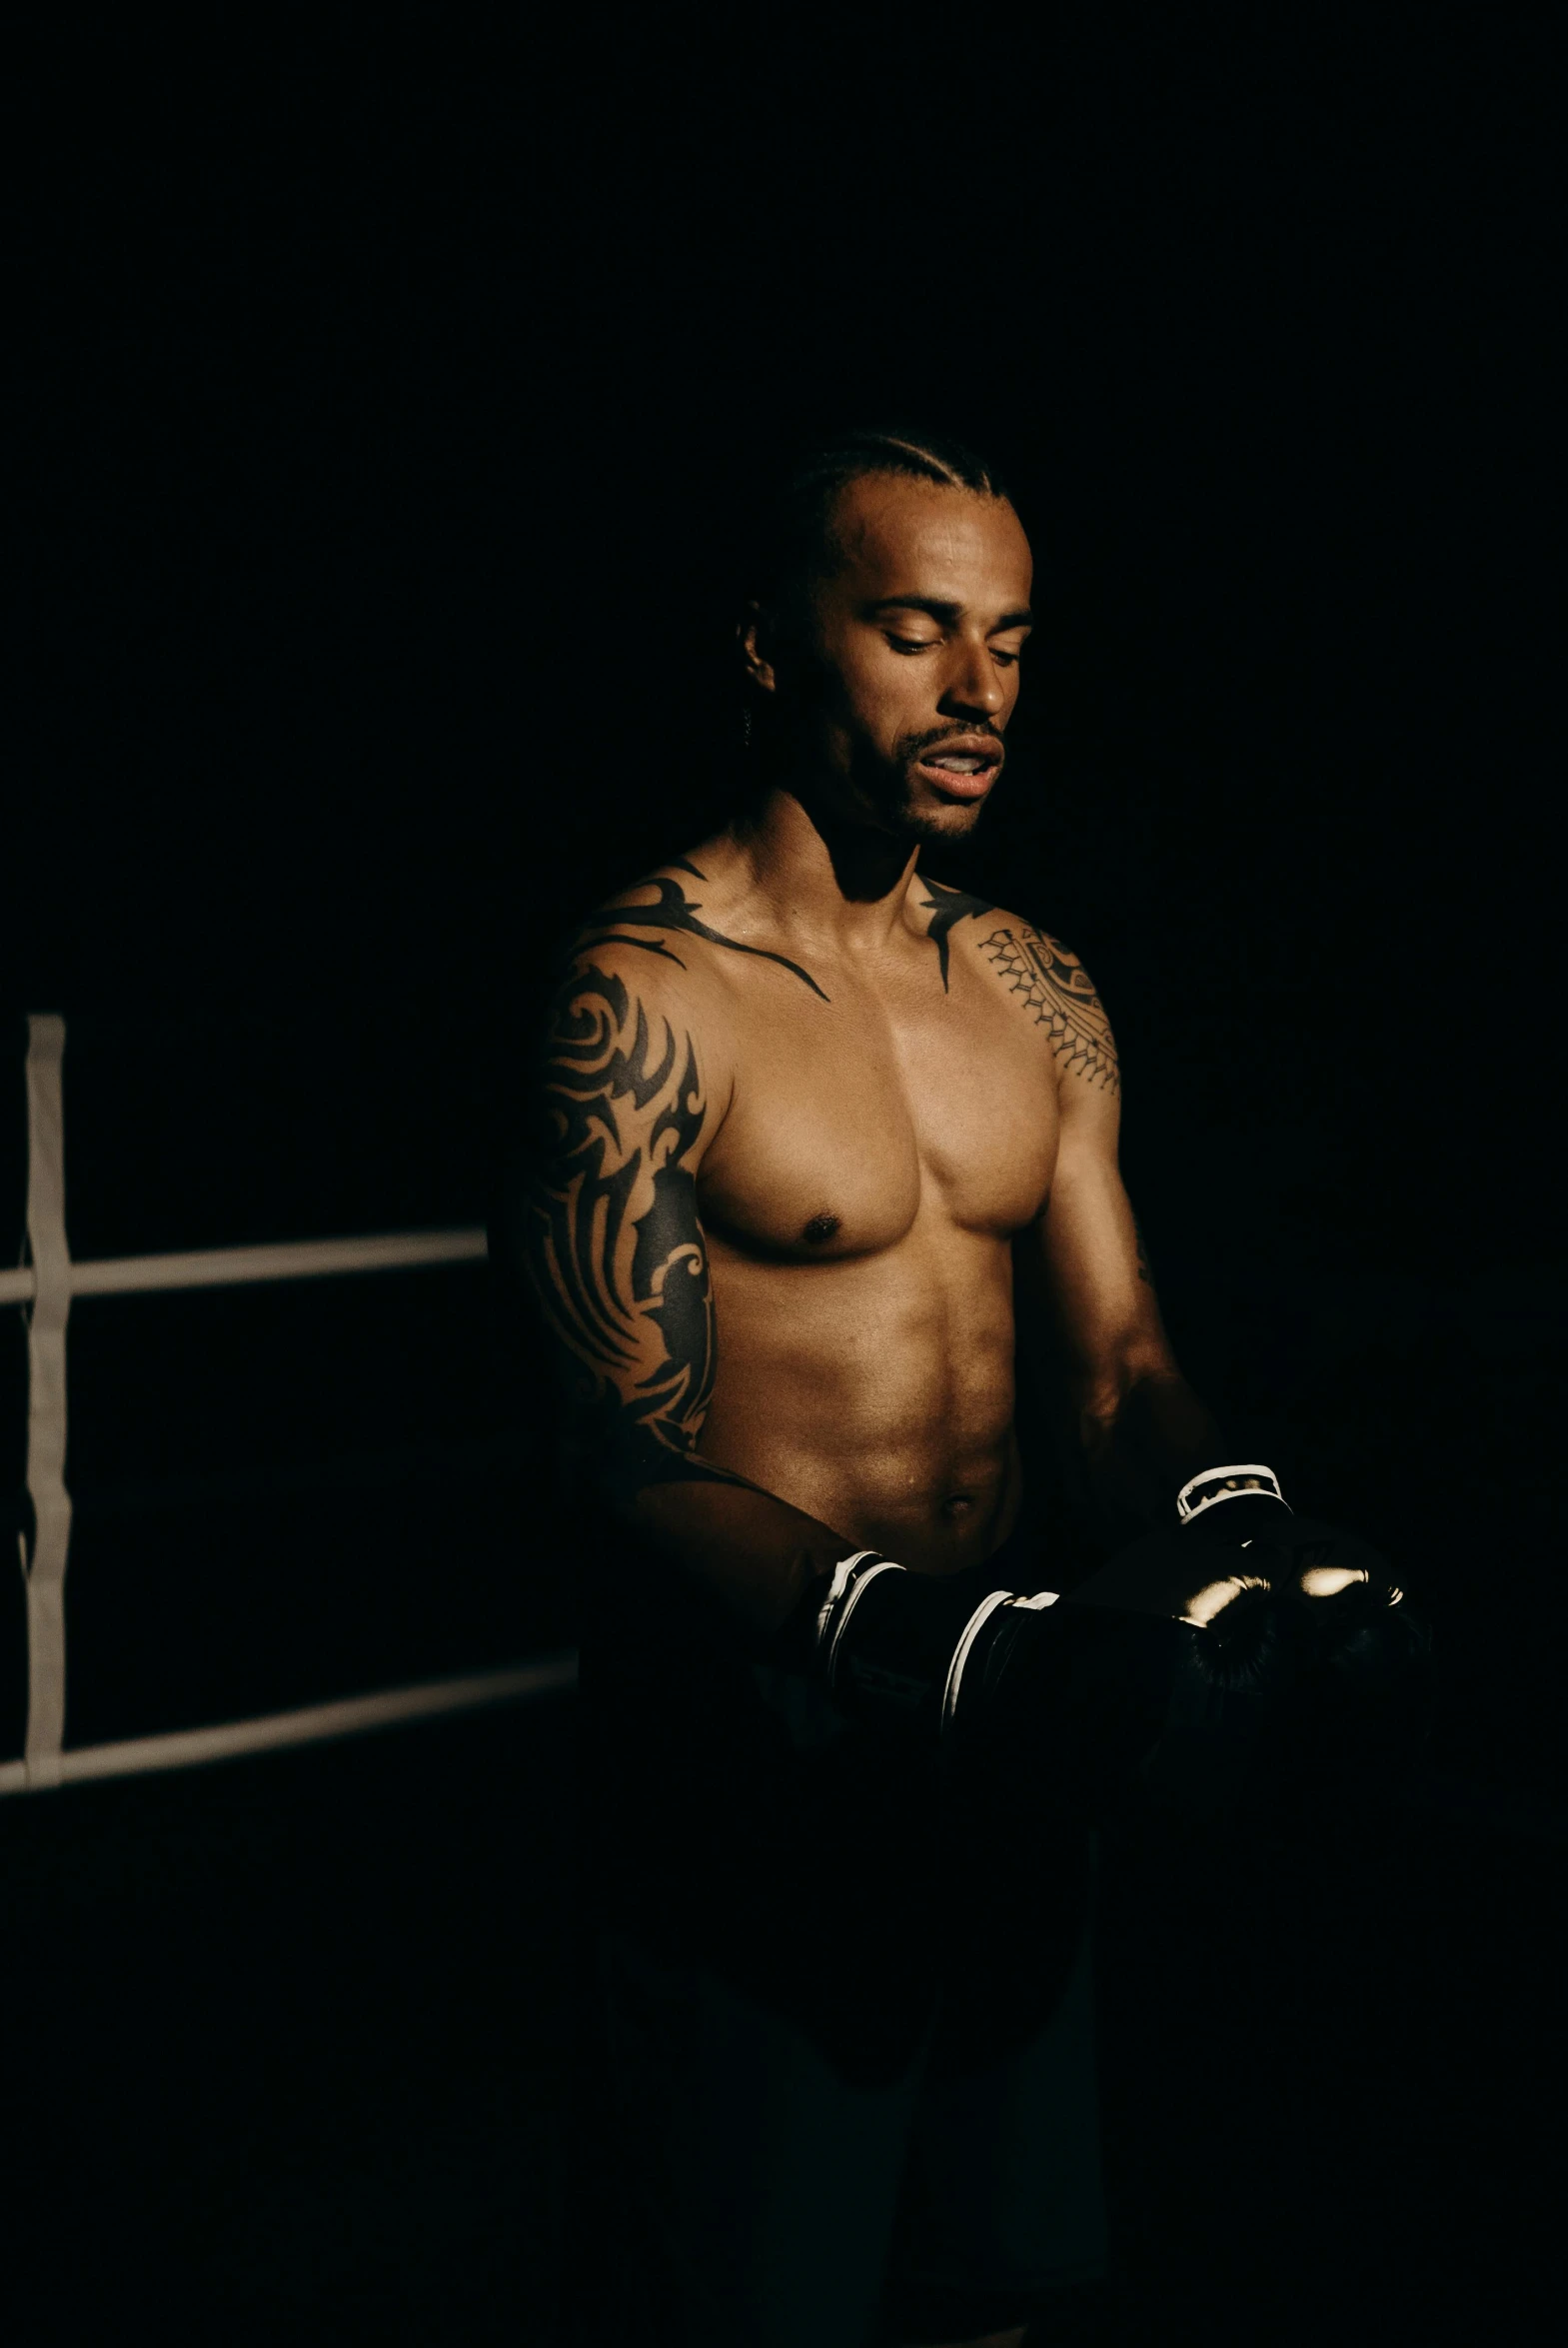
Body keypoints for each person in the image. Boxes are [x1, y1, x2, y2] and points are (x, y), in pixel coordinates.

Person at [499, 426, 1419, 2348]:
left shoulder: (1034, 986)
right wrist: (911, 1637)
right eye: (916, 629)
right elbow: (620, 1448)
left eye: (1007, 638)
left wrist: (1241, 1525)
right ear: (769, 642)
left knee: (999, 2306)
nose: (977, 691)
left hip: (1005, 1780)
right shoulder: (644, 999)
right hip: (761, 1791)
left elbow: (1119, 1376)